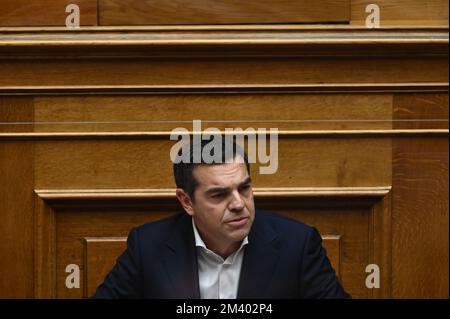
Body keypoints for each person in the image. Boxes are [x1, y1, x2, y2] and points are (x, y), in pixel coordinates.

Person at [93, 137, 350, 299]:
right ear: (186, 201)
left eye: (244, 188)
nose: (239, 204)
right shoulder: (148, 246)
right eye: (219, 195)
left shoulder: (298, 244)